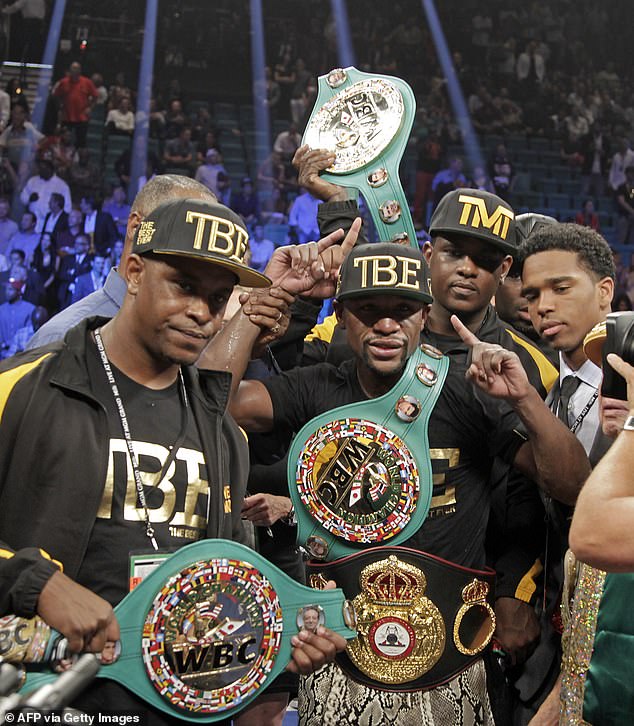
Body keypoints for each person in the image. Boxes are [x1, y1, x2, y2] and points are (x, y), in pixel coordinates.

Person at [208, 239, 588, 726]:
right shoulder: (316, 386)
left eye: (402, 310)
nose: (386, 325)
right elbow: (209, 405)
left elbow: (572, 485)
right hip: (340, 669)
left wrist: (524, 401)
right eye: (369, 310)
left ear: (424, 316)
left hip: (453, 671)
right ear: (342, 315)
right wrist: (263, 309)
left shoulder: (466, 390)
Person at [0, 197, 346, 721]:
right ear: (135, 271)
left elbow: (225, 593)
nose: (202, 313)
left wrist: (281, 650)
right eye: (184, 286)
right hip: (42, 702)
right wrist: (36, 583)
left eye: (218, 296)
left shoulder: (221, 430)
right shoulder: (27, 387)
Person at [27, 175, 221, 349]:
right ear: (137, 228)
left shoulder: (195, 339)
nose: (196, 253)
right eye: (186, 233)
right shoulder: (63, 339)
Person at [52, 61, 98, 148]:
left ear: (80, 70)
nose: (74, 70)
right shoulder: (63, 82)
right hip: (67, 117)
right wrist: (60, 105)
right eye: (72, 68)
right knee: (64, 141)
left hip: (81, 117)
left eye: (76, 68)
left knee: (81, 142)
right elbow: (56, 95)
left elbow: (95, 96)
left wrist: (90, 108)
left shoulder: (87, 82)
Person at [20, 155, 71, 233]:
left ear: (50, 169)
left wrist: (58, 221)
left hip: (49, 222)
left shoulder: (61, 185)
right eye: (39, 168)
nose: (39, 171)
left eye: (42, 168)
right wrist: (29, 198)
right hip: (31, 221)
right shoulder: (33, 181)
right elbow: (23, 196)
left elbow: (67, 207)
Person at [0, 277, 35, 356]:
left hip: (20, 354)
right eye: (6, 289)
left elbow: (29, 334)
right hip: (2, 355)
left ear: (19, 292)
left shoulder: (30, 309)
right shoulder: (1, 309)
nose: (7, 292)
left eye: (10, 289)